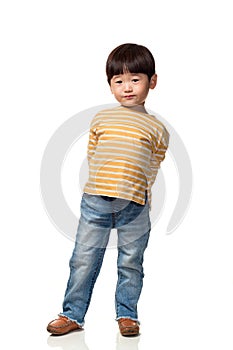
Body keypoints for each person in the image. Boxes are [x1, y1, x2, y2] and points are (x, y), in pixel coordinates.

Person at [47, 43, 169, 337]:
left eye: (135, 79)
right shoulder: (101, 118)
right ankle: (72, 314)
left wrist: (141, 192)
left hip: (135, 206)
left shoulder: (157, 128)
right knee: (83, 258)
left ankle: (127, 315)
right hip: (96, 201)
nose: (127, 87)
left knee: (130, 263)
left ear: (152, 81)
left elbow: (154, 163)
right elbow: (94, 153)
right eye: (119, 81)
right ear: (110, 86)